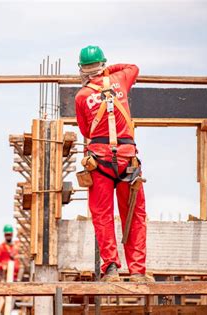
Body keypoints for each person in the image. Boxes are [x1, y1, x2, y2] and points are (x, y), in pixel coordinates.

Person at [75, 46, 151, 282]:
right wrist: (110, 70)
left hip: (100, 162)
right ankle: (137, 271)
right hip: (128, 159)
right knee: (135, 215)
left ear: (82, 69)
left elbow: (86, 130)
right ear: (103, 64)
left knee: (103, 216)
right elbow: (134, 67)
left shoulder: (81, 97)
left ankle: (111, 269)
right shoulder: (120, 79)